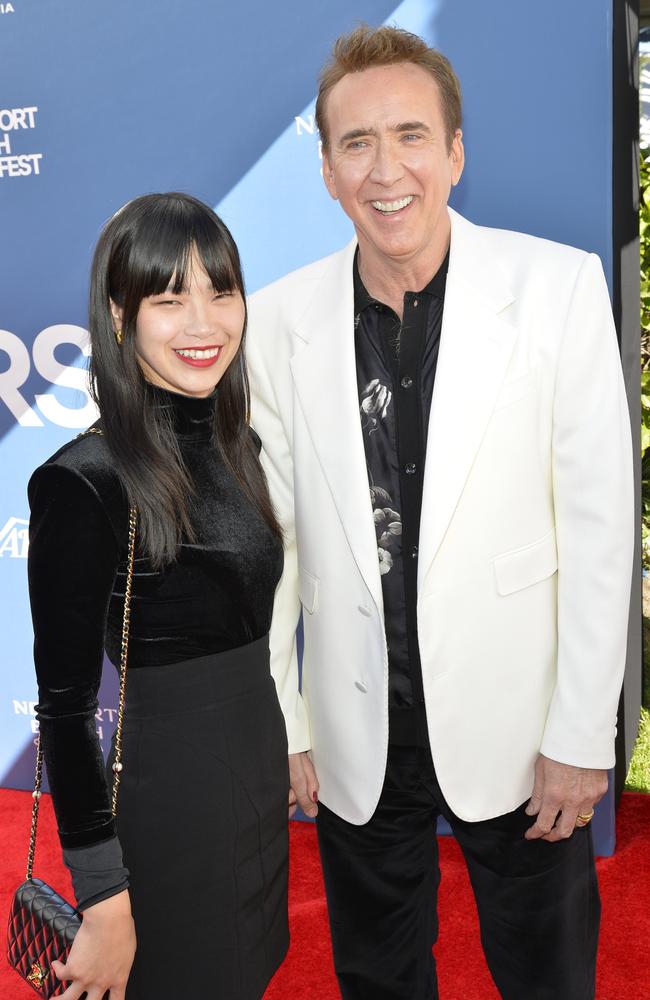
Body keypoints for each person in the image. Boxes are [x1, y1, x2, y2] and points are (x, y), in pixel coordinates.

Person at [246, 24, 634, 1000]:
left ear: (454, 153)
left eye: (410, 135)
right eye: (356, 143)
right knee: (375, 974)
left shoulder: (555, 288)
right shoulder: (279, 322)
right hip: (354, 722)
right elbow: (273, 547)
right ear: (327, 170)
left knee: (547, 974)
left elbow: (597, 529)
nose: (387, 170)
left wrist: (582, 733)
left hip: (519, 723)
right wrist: (284, 719)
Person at [28, 192, 289, 1000]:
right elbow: (65, 710)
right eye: (170, 299)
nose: (203, 322)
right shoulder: (85, 481)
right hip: (171, 801)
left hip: (255, 769)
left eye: (220, 290)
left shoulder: (237, 442)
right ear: (119, 315)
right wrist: (104, 896)